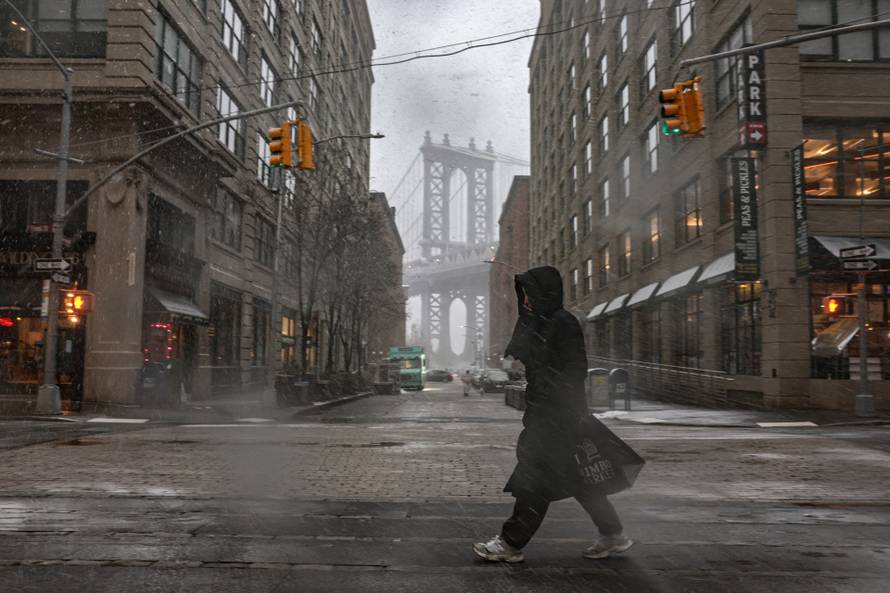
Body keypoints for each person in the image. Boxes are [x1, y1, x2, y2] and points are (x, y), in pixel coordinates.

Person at [473, 266, 632, 563]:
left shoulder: (562, 322)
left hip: (558, 417)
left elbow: (575, 369)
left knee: (534, 478)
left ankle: (511, 542)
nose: (526, 301)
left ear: (545, 293)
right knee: (580, 478)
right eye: (524, 295)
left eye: (530, 294)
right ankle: (613, 534)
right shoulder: (540, 322)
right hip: (548, 414)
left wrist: (550, 397)